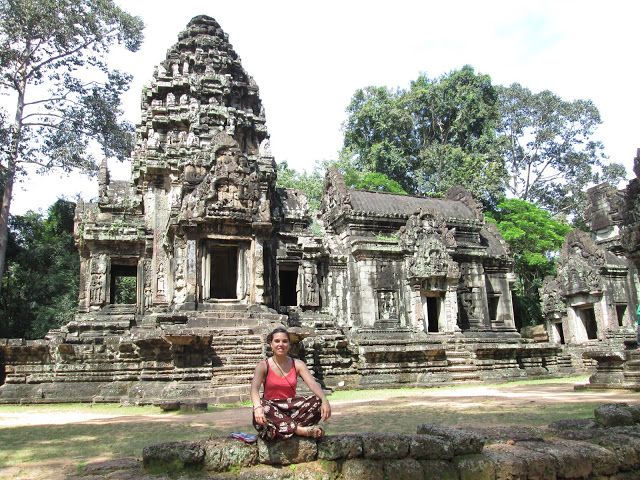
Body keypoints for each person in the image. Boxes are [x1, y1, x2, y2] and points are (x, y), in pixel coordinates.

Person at [250, 327, 331, 440]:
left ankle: (283, 428)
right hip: (271, 409)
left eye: (284, 341)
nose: (281, 344)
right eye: (277, 341)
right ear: (271, 344)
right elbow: (254, 389)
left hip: (291, 409)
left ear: (289, 345)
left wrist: (324, 400)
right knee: (262, 406)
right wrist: (258, 408)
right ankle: (299, 430)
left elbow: (313, 384)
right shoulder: (263, 366)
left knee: (317, 401)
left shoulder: (298, 364)